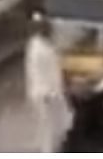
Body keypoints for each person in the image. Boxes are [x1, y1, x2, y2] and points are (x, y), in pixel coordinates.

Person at [25, 16, 72, 152]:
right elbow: (38, 73)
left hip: (53, 93)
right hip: (46, 95)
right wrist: (47, 94)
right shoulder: (37, 48)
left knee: (60, 126)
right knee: (49, 130)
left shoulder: (45, 45)